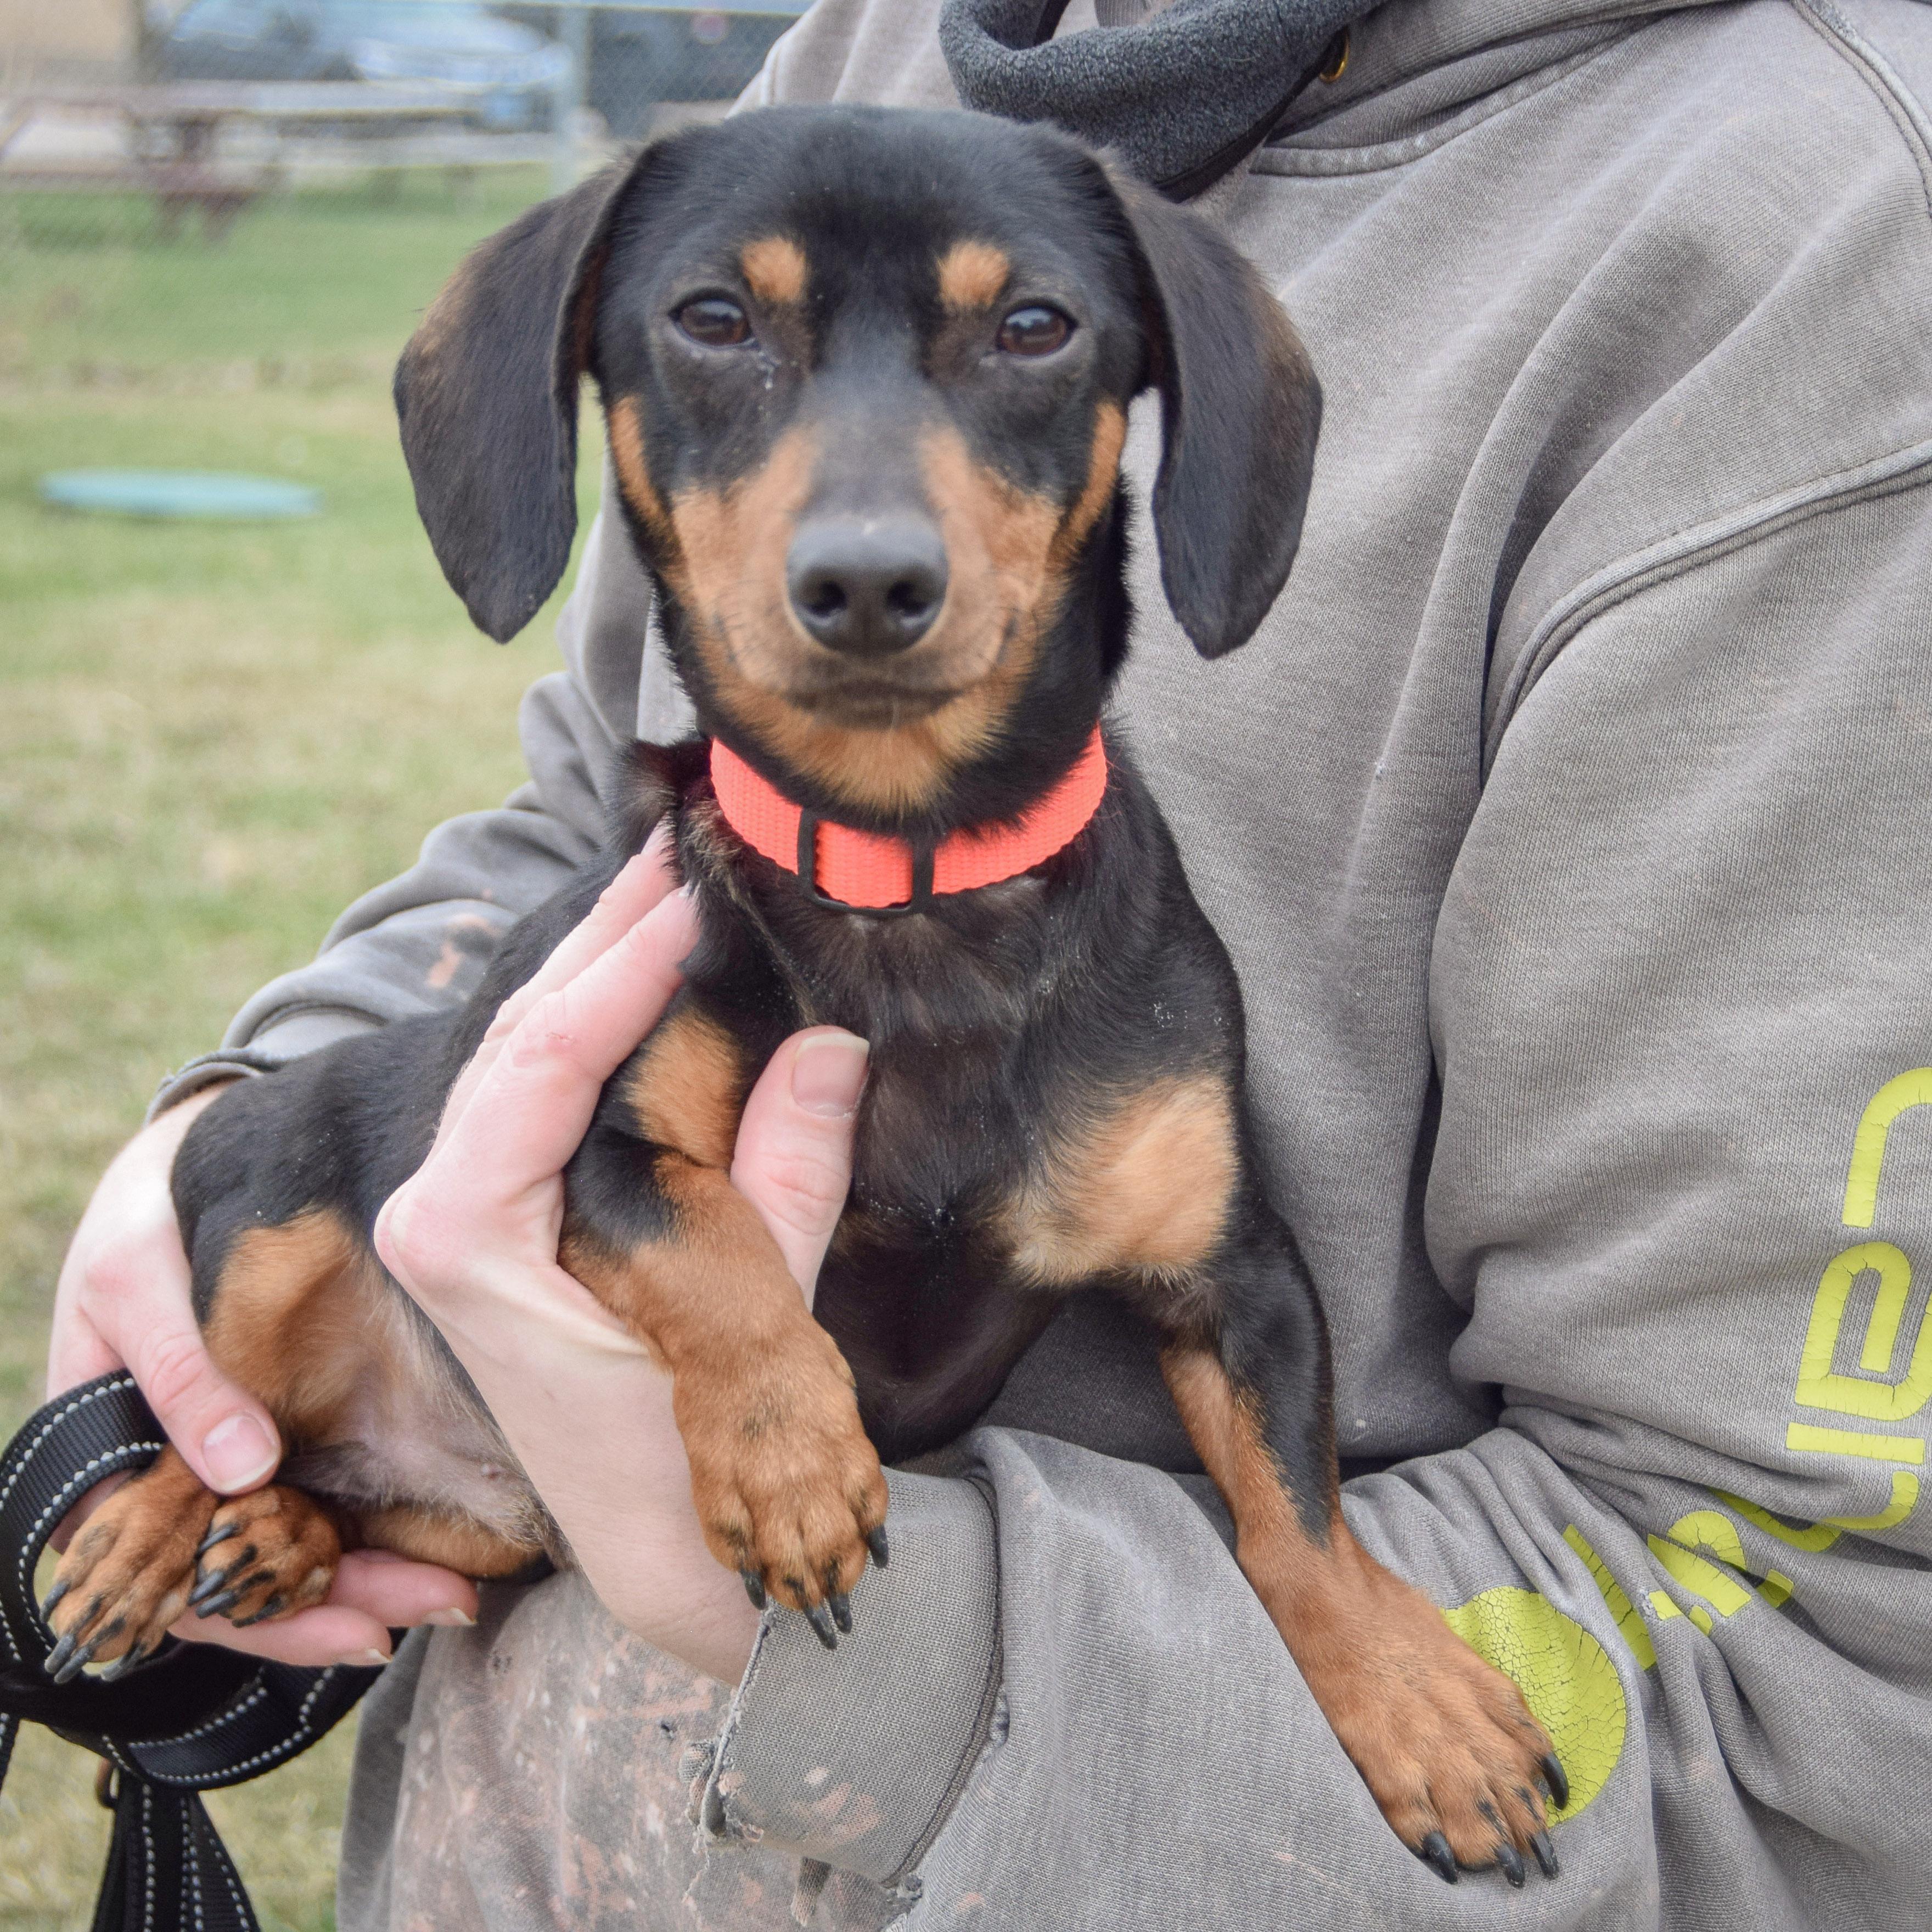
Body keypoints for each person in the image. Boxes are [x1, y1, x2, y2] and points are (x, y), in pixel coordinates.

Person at [47, 0, 1932, 1924]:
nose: (863, 546)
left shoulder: (1823, 244)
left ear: (1148, 412)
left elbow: (1802, 1644)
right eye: (722, 331)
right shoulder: (853, 60)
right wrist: (223, 1134)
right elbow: (580, 802)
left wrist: (826, 1614)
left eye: (1024, 334)